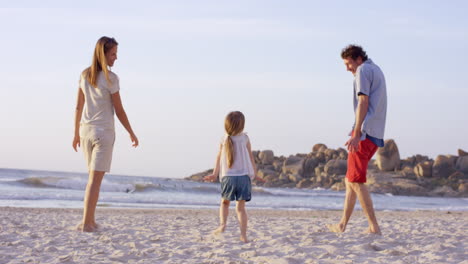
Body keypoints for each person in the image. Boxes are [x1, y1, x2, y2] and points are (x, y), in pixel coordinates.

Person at [72, 36, 139, 232]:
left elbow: (78, 107)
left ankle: (90, 220)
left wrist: (76, 134)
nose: (115, 58)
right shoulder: (111, 78)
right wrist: (131, 132)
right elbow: (119, 110)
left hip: (86, 132)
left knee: (92, 180)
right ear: (103, 54)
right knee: (94, 181)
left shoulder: (84, 75)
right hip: (103, 133)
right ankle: (86, 222)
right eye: (113, 54)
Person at [327, 45, 387, 235]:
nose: (347, 69)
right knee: (350, 180)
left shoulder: (363, 70)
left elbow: (363, 101)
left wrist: (356, 133)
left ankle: (374, 227)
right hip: (375, 133)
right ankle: (342, 225)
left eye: (348, 64)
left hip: (365, 133)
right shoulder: (376, 69)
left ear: (358, 59)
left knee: (356, 181)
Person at [204, 111, 264, 243]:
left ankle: (223, 225)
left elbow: (218, 157)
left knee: (224, 204)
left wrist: (214, 174)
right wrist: (255, 173)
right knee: (241, 209)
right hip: (243, 177)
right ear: (242, 125)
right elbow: (250, 157)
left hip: (228, 178)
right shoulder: (245, 138)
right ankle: (243, 235)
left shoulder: (223, 139)